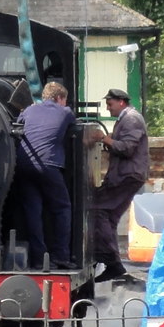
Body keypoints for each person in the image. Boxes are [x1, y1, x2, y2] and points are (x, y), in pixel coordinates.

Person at [16, 81, 77, 270]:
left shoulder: (28, 111)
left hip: (23, 164)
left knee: (33, 211)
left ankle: (38, 259)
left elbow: (18, 125)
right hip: (48, 165)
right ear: (60, 98)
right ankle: (60, 256)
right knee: (62, 208)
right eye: (64, 100)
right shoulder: (65, 112)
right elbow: (75, 127)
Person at [91, 88, 149, 282]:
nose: (108, 109)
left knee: (99, 209)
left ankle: (111, 261)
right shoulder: (126, 119)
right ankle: (112, 261)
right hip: (125, 175)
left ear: (121, 102)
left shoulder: (131, 119)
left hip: (127, 176)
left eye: (110, 104)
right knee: (111, 217)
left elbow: (127, 148)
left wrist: (104, 138)